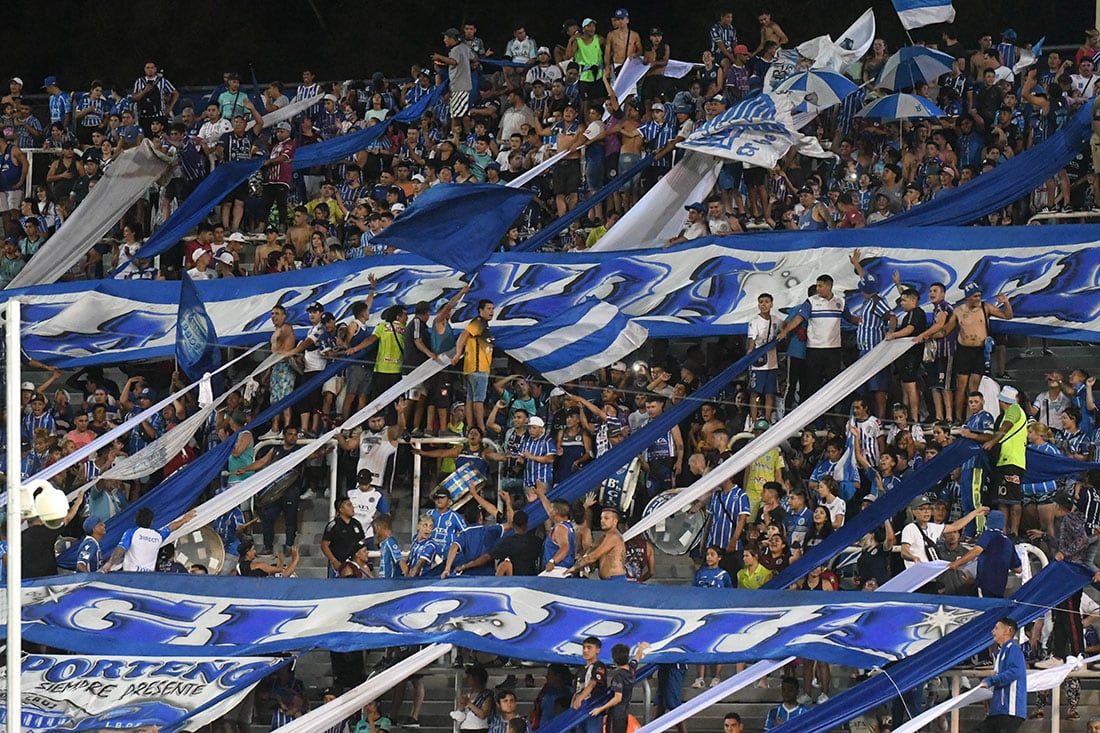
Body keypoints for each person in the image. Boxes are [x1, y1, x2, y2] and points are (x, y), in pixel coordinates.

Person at [915, 282, 1012, 423]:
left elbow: (1007, 316)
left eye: (979, 296)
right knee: (961, 387)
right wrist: (927, 336)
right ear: (968, 297)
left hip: (979, 351)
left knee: (973, 387)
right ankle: (959, 418)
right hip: (963, 351)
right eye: (975, 296)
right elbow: (946, 330)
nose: (978, 299)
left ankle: (970, 418)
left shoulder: (985, 307)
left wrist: (1006, 303)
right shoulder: (959, 311)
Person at [1033, 493, 1090, 668]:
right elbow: (1064, 544)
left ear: (1058, 506)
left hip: (1070, 573)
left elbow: (1083, 540)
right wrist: (1044, 536)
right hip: (1068, 572)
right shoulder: (1075, 520)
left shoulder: (1070, 520)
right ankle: (1057, 655)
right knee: (1062, 613)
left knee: (1071, 614)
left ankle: (1078, 653)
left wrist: (1064, 554)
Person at [945, 509, 1021, 597]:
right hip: (1000, 586)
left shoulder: (988, 535)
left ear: (987, 522)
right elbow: (1018, 569)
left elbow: (976, 551)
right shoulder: (1008, 542)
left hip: (984, 584)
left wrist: (956, 563)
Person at [985, 385, 1028, 537]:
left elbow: (1005, 428)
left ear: (1003, 401)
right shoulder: (1007, 413)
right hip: (1005, 460)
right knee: (1002, 499)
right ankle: (1003, 532)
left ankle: (1014, 532)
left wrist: (991, 442)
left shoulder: (1014, 410)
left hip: (1013, 460)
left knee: (1013, 498)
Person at [104, 506, 196, 572]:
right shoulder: (158, 536)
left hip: (130, 576)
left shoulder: (131, 533)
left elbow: (120, 550)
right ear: (152, 521)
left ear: (136, 520)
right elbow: (171, 527)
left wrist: (110, 563)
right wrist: (184, 520)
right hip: (148, 578)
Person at [453, 299, 494, 432]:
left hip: (474, 369)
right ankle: (481, 427)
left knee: (470, 400)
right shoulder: (478, 322)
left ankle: (470, 426)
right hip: (478, 368)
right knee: (478, 400)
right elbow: (463, 336)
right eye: (488, 309)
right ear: (480, 310)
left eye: (492, 309)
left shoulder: (484, 325)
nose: (491, 311)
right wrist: (458, 353)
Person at [981, 617, 1027, 731]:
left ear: (1008, 630)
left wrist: (991, 681)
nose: (993, 631)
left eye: (996, 628)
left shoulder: (1014, 649)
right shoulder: (1001, 652)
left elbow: (1014, 672)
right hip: (999, 710)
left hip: (1010, 709)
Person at [594, 642, 648, 733]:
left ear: (614, 659)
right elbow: (637, 658)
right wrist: (641, 649)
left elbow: (617, 698)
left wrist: (600, 709)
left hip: (615, 715)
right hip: (624, 713)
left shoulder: (618, 676)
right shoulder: (631, 670)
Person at [746, 293, 781, 423]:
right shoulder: (754, 321)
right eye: (761, 302)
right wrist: (749, 354)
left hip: (772, 362)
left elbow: (785, 326)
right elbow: (751, 340)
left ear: (771, 304)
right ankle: (754, 421)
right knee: (755, 393)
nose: (764, 304)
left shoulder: (776, 320)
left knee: (769, 393)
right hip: (757, 363)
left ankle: (767, 420)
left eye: (766, 302)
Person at [569, 507, 627, 580]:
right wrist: (581, 557)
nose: (602, 521)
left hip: (615, 580)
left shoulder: (613, 536)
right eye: (601, 518)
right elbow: (591, 549)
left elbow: (593, 556)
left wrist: (573, 568)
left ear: (615, 521)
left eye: (606, 518)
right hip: (607, 580)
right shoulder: (604, 536)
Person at [322, 497, 367, 578]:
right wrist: (334, 561)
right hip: (337, 564)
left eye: (352, 505)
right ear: (341, 509)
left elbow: (362, 539)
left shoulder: (356, 523)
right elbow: (324, 545)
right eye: (349, 505)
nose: (352, 507)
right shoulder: (333, 525)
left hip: (353, 564)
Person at [571, 636, 608, 733]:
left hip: (593, 709)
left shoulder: (599, 666)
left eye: (589, 647)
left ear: (598, 650)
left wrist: (580, 698)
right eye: (584, 648)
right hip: (579, 710)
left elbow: (592, 683)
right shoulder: (581, 669)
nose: (585, 650)